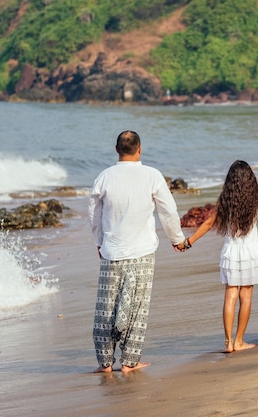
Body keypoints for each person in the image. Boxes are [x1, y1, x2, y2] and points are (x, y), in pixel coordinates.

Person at [88, 130, 186, 373]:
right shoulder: (152, 175)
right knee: (137, 307)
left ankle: (105, 363)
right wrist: (177, 238)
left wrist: (99, 241)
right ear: (139, 149)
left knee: (106, 307)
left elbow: (94, 213)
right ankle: (129, 361)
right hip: (142, 251)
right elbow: (168, 210)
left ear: (116, 149)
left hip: (112, 251)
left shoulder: (105, 177)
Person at [178, 160, 258, 353]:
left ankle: (228, 342)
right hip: (250, 252)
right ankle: (239, 341)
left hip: (231, 252)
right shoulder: (257, 197)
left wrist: (189, 242)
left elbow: (207, 224)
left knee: (230, 295)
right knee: (245, 296)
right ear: (250, 179)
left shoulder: (226, 198)